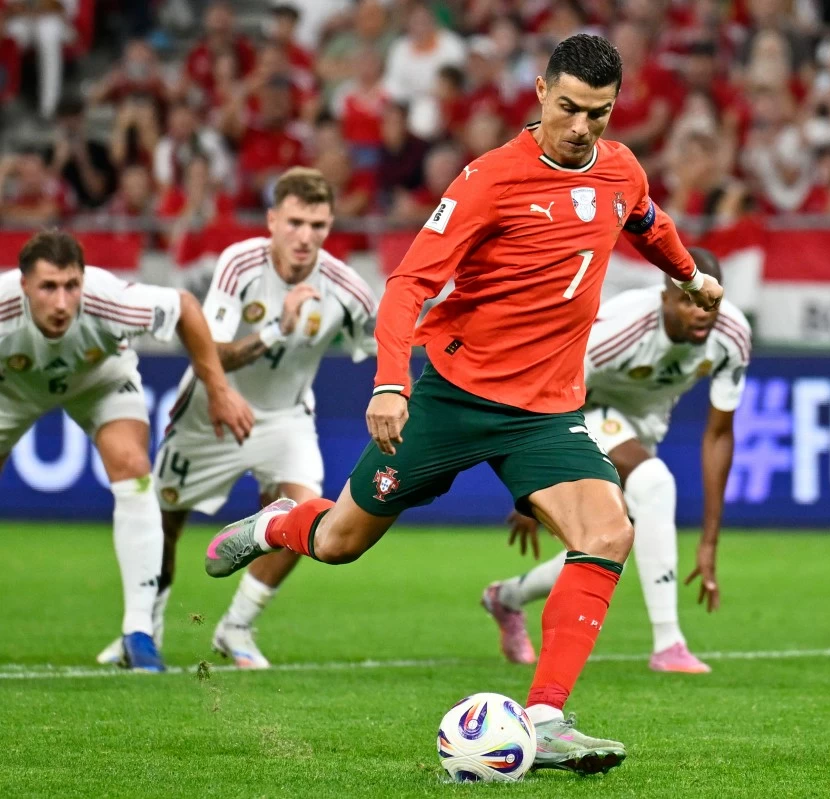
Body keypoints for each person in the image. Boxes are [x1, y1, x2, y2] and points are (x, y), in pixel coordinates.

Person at [203, 34, 722, 775]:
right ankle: (276, 524)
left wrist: (690, 277)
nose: (581, 129)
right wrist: (389, 382)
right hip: (455, 397)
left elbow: (647, 221)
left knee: (609, 529)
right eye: (569, 108)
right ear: (540, 91)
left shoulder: (619, 169)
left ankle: (546, 717)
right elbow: (408, 287)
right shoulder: (490, 179)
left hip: (546, 410)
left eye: (598, 116)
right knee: (341, 540)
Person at [94, 169, 376, 670]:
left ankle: (237, 627)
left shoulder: (346, 287)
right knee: (163, 521)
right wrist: (276, 329)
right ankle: (143, 629)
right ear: (272, 220)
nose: (305, 237)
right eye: (295, 222)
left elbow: (384, 346)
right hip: (210, 412)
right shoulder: (238, 264)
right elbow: (212, 355)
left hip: (285, 417)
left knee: (311, 518)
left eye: (317, 225)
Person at [481, 248, 749, 674]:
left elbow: (718, 436)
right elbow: (548, 387)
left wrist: (709, 542)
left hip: (643, 426)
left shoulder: (733, 335)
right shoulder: (619, 328)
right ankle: (668, 644)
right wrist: (532, 487)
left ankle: (506, 598)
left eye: (708, 301)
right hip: (579, 404)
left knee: (613, 543)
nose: (700, 311)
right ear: (665, 299)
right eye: (686, 300)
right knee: (656, 482)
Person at [0, 230, 253, 672]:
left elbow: (185, 309)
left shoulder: (109, 299)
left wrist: (218, 389)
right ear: (24, 286)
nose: (62, 302)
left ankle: (139, 633)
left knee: (133, 465)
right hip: (13, 391)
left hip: (100, 380)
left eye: (71, 286)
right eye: (48, 287)